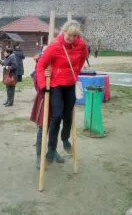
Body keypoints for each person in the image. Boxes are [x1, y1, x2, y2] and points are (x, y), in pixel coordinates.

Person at [36, 20, 88, 163]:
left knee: (68, 115)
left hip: (70, 83)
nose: (71, 39)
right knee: (57, 115)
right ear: (63, 32)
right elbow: (40, 66)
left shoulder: (81, 45)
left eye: (74, 36)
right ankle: (51, 149)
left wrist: (75, 72)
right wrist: (43, 85)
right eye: (69, 35)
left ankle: (65, 139)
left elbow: (83, 57)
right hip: (56, 84)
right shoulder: (54, 47)